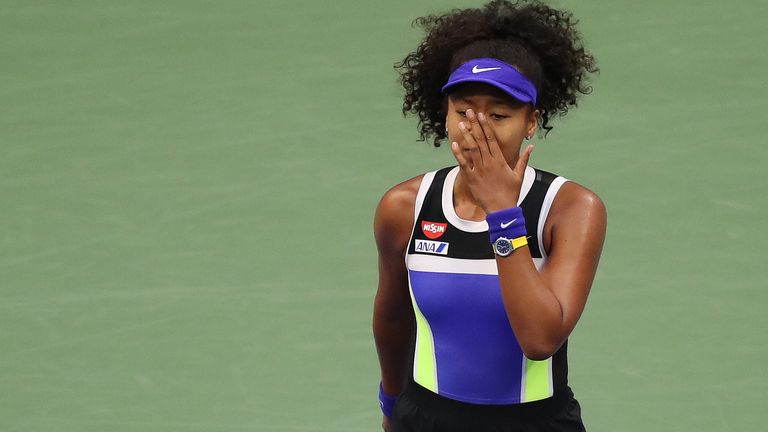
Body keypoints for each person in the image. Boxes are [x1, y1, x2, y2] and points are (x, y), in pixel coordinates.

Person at [372, 1, 606, 431]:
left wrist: (502, 212)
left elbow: (540, 339)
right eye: (463, 112)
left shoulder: (570, 209)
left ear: (531, 121)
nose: (476, 128)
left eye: (499, 115)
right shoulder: (404, 207)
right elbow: (392, 316)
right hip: (424, 420)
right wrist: (390, 406)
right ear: (443, 113)